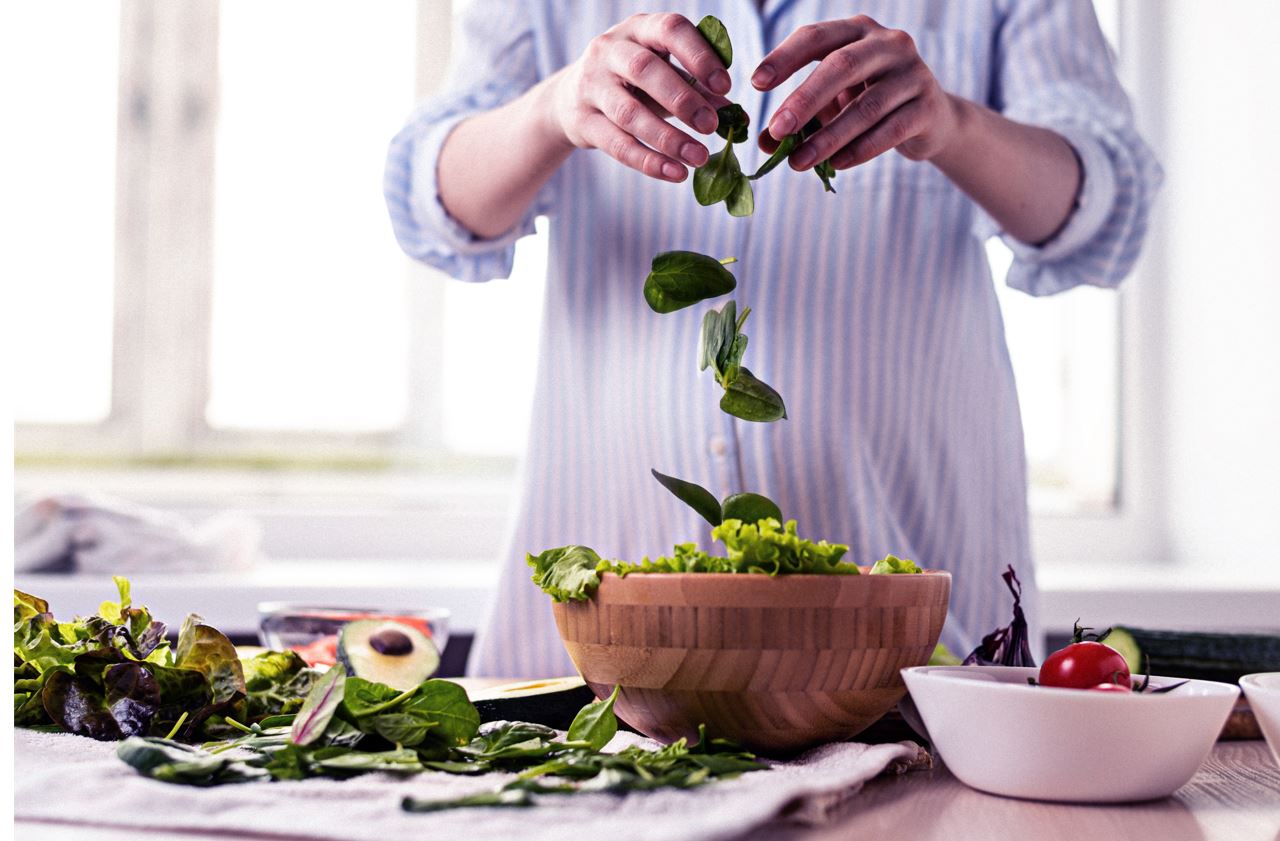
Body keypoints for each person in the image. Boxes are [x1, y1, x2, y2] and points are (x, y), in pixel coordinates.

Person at [384, 1, 1161, 677]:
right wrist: (554, 106)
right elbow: (431, 201)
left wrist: (950, 124)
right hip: (597, 650)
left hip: (916, 656)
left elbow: (1107, 209)